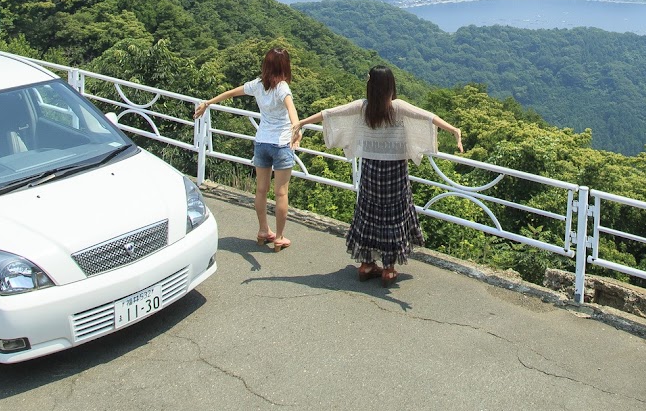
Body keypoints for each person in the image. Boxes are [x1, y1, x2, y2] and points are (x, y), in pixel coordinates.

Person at [296, 65, 462, 284]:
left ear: (371, 86)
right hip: (395, 173)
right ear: (390, 85)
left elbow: (330, 113)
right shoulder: (397, 107)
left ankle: (366, 265)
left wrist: (300, 123)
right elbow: (428, 117)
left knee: (369, 215)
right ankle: (389, 269)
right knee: (392, 217)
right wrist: (455, 131)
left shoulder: (364, 107)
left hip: (371, 171)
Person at [195, 47, 302, 250]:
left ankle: (263, 230)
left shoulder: (258, 85)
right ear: (285, 66)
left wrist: (208, 103)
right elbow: (292, 111)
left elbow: (231, 93)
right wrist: (297, 129)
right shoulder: (283, 88)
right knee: (281, 193)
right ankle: (279, 237)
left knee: (261, 190)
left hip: (261, 143)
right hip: (280, 145)